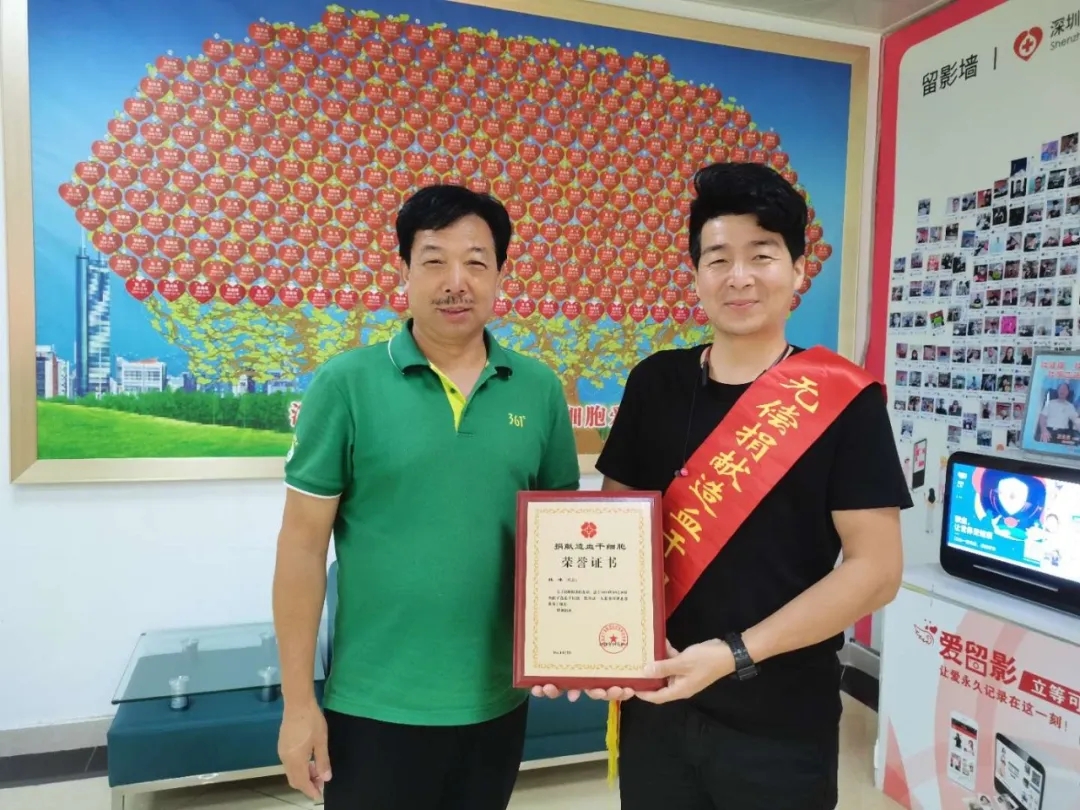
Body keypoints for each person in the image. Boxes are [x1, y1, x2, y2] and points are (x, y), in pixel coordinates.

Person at [535, 162, 910, 809]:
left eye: (761, 255)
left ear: (798, 270)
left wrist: (734, 653)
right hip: (658, 704)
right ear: (696, 276)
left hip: (781, 722)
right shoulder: (655, 384)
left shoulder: (844, 401)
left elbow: (876, 570)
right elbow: (614, 537)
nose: (739, 276)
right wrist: (579, 644)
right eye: (718, 258)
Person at [272, 184, 580, 809]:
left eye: (476, 262)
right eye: (435, 260)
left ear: (499, 275)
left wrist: (571, 649)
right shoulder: (346, 384)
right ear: (406, 270)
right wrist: (298, 704)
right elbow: (301, 548)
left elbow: (561, 541)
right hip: (374, 703)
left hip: (498, 699)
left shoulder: (539, 389)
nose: (455, 282)